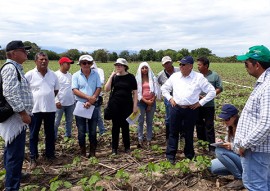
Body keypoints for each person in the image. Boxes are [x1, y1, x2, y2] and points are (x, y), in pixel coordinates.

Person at [161, 56, 216, 163]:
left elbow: (212, 91)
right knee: (173, 132)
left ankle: (189, 155)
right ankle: (170, 156)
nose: (180, 66)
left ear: (190, 66)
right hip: (176, 108)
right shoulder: (175, 76)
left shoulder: (198, 77)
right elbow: (164, 88)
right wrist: (170, 98)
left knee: (189, 133)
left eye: (183, 64)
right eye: (180, 64)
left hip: (191, 110)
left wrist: (200, 103)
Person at [234, 45, 270, 190]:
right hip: (259, 148)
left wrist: (245, 144)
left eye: (246, 63)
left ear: (257, 65)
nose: (245, 67)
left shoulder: (267, 87)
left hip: (257, 150)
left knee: (256, 185)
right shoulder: (264, 84)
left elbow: (266, 123)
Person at [0, 41, 33, 191]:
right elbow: (10, 93)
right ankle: (12, 187)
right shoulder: (10, 68)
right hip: (15, 118)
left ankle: (13, 177)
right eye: (23, 50)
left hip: (16, 117)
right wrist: (23, 113)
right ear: (13, 53)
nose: (26, 52)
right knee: (15, 154)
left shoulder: (15, 68)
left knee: (11, 151)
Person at [25, 52, 60, 169]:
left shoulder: (53, 75)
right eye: (41, 59)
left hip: (50, 109)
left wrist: (47, 97)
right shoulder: (29, 75)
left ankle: (50, 155)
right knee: (33, 134)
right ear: (36, 61)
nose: (43, 61)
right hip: (35, 110)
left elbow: (55, 90)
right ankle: (33, 157)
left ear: (48, 61)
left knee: (50, 133)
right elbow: (24, 91)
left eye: (45, 59)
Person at [104, 58, 138, 155]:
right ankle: (114, 149)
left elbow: (135, 93)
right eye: (117, 65)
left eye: (120, 65)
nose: (118, 66)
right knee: (115, 127)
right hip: (115, 105)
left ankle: (127, 147)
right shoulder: (114, 77)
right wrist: (111, 76)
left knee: (125, 126)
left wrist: (135, 106)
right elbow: (106, 89)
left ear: (125, 66)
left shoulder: (131, 77)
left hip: (127, 105)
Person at [72, 55, 101, 158]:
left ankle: (92, 152)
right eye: (84, 63)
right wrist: (89, 98)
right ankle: (83, 152)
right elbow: (75, 90)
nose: (86, 65)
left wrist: (92, 99)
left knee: (93, 131)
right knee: (81, 131)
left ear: (91, 64)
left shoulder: (96, 74)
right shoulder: (76, 75)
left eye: (89, 63)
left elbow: (98, 87)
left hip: (93, 106)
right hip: (80, 105)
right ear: (80, 64)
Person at [210, 104, 243, 190]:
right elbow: (228, 142)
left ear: (235, 117)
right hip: (236, 157)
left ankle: (240, 178)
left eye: (227, 119)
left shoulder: (242, 129)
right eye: (224, 119)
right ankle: (238, 171)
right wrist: (222, 142)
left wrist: (231, 146)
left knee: (219, 151)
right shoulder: (229, 128)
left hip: (244, 159)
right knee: (212, 166)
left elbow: (244, 151)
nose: (225, 121)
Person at [196, 57, 223, 152]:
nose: (198, 66)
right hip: (198, 105)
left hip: (209, 105)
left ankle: (211, 147)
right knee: (199, 125)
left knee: (209, 125)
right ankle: (201, 145)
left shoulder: (214, 76)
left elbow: (219, 88)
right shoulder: (197, 76)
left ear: (206, 66)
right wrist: (198, 96)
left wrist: (208, 96)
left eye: (199, 65)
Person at [135, 62, 159, 148]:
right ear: (140, 69)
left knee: (149, 121)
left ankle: (149, 139)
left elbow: (156, 91)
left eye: (146, 68)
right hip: (141, 102)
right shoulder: (137, 79)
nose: (144, 69)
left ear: (148, 69)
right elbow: (137, 93)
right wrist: (146, 101)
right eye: (143, 68)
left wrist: (150, 103)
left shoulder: (153, 78)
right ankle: (140, 139)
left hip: (151, 102)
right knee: (140, 121)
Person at [157, 56, 180, 140]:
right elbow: (157, 85)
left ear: (172, 62)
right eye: (165, 63)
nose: (167, 65)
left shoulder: (179, 70)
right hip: (168, 98)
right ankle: (169, 136)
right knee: (169, 117)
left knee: (180, 116)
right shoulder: (160, 75)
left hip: (180, 96)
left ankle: (181, 135)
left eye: (168, 62)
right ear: (163, 65)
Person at [54, 57, 75, 140]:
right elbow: (52, 90)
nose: (69, 65)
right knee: (56, 122)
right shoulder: (56, 75)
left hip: (70, 103)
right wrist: (56, 101)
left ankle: (68, 136)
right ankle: (53, 137)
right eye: (68, 63)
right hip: (59, 104)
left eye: (70, 64)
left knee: (69, 121)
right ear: (62, 64)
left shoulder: (70, 75)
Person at [91, 62, 107, 135]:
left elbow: (101, 82)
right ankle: (89, 131)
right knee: (86, 116)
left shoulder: (100, 70)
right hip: (86, 97)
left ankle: (102, 130)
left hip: (97, 96)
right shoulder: (83, 71)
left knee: (98, 115)